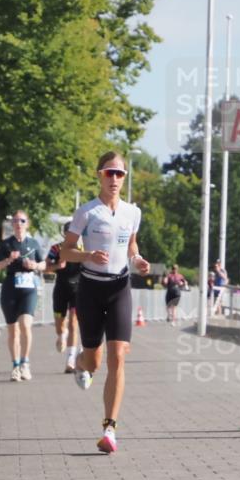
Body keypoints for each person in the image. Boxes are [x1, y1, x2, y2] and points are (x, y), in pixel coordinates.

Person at [61, 152, 150, 454]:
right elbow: (66, 252)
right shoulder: (86, 212)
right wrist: (87, 255)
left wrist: (137, 260)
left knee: (118, 357)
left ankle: (110, 428)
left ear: (125, 178)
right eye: (109, 173)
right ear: (99, 175)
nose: (114, 179)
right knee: (94, 360)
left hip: (119, 288)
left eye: (119, 174)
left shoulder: (132, 212)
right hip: (90, 288)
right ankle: (81, 364)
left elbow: (132, 244)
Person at [0, 210, 46, 381]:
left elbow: (44, 265)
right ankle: (15, 366)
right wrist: (7, 261)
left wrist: (34, 265)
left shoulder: (34, 243)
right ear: (12, 225)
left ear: (27, 224)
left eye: (22, 221)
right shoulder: (6, 245)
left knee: (26, 325)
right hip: (10, 288)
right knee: (13, 330)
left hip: (29, 288)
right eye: (15, 221)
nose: (18, 224)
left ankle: (25, 363)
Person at [47, 222, 82, 373]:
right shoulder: (56, 248)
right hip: (61, 289)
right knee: (60, 327)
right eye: (69, 232)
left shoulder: (83, 249)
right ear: (64, 233)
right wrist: (57, 266)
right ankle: (62, 334)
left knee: (74, 323)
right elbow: (46, 267)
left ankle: (71, 360)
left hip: (78, 290)